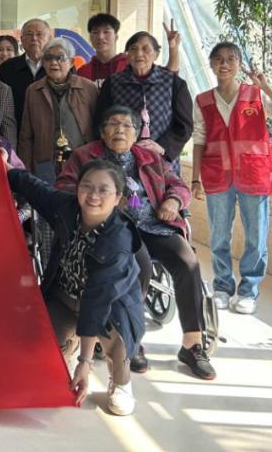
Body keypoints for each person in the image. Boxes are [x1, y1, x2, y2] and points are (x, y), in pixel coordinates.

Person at [56, 105, 215, 380]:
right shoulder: (85, 156)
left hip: (154, 225)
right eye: (113, 124)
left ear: (136, 133)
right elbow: (64, 186)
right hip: (112, 231)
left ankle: (192, 344)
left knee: (187, 261)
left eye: (127, 125)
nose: (120, 130)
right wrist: (97, 205)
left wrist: (173, 200)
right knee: (138, 265)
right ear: (102, 132)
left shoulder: (149, 157)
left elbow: (177, 184)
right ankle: (131, 339)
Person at [9, 159, 144, 416]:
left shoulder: (117, 241)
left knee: (116, 341)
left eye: (103, 190)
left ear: (118, 198)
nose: (93, 195)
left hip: (110, 307)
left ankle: (121, 381)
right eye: (87, 186)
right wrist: (4, 166)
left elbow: (96, 304)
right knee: (36, 344)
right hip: (64, 295)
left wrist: (85, 362)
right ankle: (68, 347)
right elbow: (35, 188)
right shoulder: (68, 207)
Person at [192, 42, 272, 315]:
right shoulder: (202, 100)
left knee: (255, 237)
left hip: (253, 174)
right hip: (217, 174)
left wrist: (266, 87)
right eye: (218, 59)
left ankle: (248, 291)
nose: (224, 64)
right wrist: (194, 180)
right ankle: (223, 287)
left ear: (239, 64)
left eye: (230, 59)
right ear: (211, 64)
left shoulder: (255, 95)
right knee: (218, 236)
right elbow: (199, 140)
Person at [96, 31, 193, 167]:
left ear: (156, 54)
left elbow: (184, 125)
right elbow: (101, 120)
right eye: (133, 49)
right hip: (121, 158)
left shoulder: (174, 83)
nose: (139, 54)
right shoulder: (113, 83)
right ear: (127, 55)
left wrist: (163, 147)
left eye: (146, 49)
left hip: (161, 159)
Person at [17, 37, 98, 182]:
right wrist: (25, 171)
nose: (54, 63)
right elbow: (26, 135)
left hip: (81, 160)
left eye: (60, 58)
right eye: (48, 58)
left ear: (71, 62)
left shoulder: (88, 88)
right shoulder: (33, 90)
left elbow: (97, 128)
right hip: (45, 161)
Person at [79, 13, 181, 85]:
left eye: (106, 32)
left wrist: (173, 49)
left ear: (116, 36)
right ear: (90, 38)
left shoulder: (131, 63)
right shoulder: (83, 72)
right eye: (95, 32)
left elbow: (168, 77)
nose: (101, 37)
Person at [0, 18, 51, 133]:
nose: (34, 38)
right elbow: (2, 106)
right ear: (21, 39)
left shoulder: (59, 67)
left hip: (51, 132)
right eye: (29, 34)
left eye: (39, 34)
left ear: (49, 39)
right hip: (17, 131)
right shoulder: (7, 68)